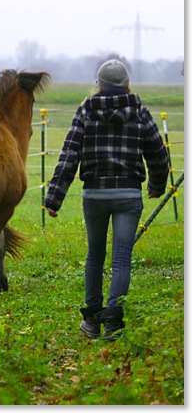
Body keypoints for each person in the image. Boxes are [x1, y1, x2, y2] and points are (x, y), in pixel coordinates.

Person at [44, 59, 169, 341]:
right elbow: (159, 153)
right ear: (126, 83)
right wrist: (156, 186)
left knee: (95, 256)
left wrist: (54, 198)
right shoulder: (139, 111)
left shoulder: (86, 110)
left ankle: (91, 321)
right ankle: (113, 322)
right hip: (128, 194)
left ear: (99, 83)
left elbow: (69, 154)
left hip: (95, 195)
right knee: (122, 259)